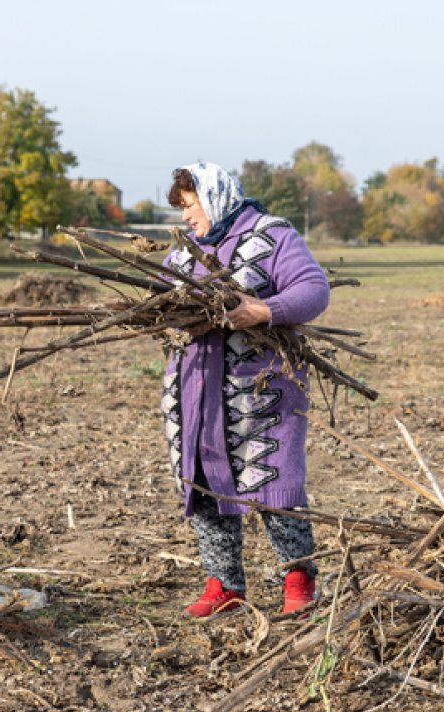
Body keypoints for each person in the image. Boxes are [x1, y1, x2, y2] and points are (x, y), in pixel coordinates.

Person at [159, 161, 330, 618]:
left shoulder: (270, 235)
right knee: (206, 481)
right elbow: (158, 303)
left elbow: (314, 289)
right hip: (195, 386)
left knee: (274, 481)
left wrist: (263, 310)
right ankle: (224, 585)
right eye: (182, 208)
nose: (186, 217)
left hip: (261, 390)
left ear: (215, 197)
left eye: (191, 205)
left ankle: (298, 581)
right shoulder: (182, 253)